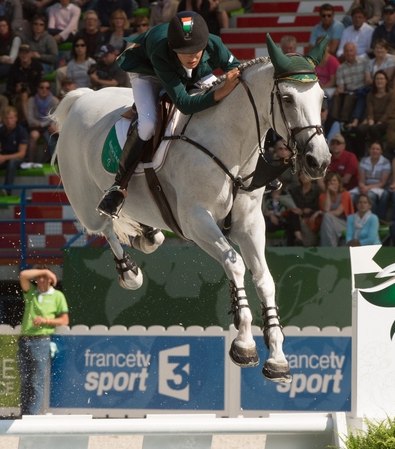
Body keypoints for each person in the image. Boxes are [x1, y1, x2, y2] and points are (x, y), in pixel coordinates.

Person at [99, 11, 241, 218]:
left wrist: (228, 86)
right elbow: (183, 103)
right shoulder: (160, 49)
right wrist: (221, 92)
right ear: (174, 48)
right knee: (148, 124)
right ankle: (118, 187)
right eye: (185, 52)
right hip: (150, 72)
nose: (192, 57)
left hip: (193, 75)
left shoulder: (213, 43)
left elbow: (237, 69)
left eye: (196, 51)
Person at [17, 267, 69, 416]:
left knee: (36, 381)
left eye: (44, 278)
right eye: (39, 277)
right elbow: (23, 275)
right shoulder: (32, 293)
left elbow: (65, 320)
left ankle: (31, 415)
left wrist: (45, 321)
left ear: (51, 281)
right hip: (24, 340)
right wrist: (45, 271)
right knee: (25, 381)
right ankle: (24, 414)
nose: (40, 280)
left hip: (41, 340)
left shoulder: (57, 296)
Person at [0, 107, 27, 195]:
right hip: (3, 157)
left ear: (16, 118)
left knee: (12, 162)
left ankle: (7, 190)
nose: (8, 120)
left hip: (17, 158)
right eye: (6, 118)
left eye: (11, 118)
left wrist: (4, 157)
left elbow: (21, 154)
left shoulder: (22, 132)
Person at [354, 70, 395, 155]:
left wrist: (376, 124)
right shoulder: (370, 95)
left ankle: (380, 152)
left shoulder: (392, 94)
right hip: (375, 120)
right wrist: (370, 121)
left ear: (386, 81)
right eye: (377, 79)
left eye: (382, 79)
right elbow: (370, 112)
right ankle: (360, 155)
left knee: (374, 129)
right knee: (360, 130)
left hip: (389, 121)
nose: (379, 81)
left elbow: (388, 113)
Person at [329, 42, 368, 129]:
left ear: (355, 51)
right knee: (336, 96)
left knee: (349, 97)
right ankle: (334, 121)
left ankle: (344, 122)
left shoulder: (364, 62)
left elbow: (367, 80)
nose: (349, 53)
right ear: (344, 53)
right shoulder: (341, 68)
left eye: (351, 51)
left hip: (362, 90)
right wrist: (339, 91)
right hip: (348, 91)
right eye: (347, 51)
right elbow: (341, 87)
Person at [351, 141, 390, 219]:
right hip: (365, 186)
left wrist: (367, 188)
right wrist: (362, 186)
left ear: (381, 151)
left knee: (369, 196)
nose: (375, 151)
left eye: (377, 149)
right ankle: (355, 218)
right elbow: (361, 180)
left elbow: (382, 183)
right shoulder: (364, 161)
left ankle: (374, 218)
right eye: (373, 149)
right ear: (369, 150)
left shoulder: (386, 162)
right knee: (351, 196)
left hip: (379, 187)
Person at [316, 172, 354, 247]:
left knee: (327, 217)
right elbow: (326, 209)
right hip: (329, 222)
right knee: (327, 218)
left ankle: (329, 248)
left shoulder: (345, 194)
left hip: (343, 222)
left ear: (339, 183)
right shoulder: (323, 195)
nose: (332, 182)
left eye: (334, 180)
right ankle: (332, 247)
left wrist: (322, 213)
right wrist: (328, 192)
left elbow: (338, 212)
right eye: (329, 181)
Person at [26, 80, 60, 162]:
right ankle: (30, 161)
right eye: (42, 87)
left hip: (47, 126)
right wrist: (39, 124)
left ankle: (46, 161)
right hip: (35, 126)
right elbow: (30, 118)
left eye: (47, 88)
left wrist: (40, 124)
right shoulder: (31, 100)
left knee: (49, 136)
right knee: (34, 136)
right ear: (37, 88)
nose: (44, 90)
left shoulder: (54, 100)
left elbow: (54, 118)